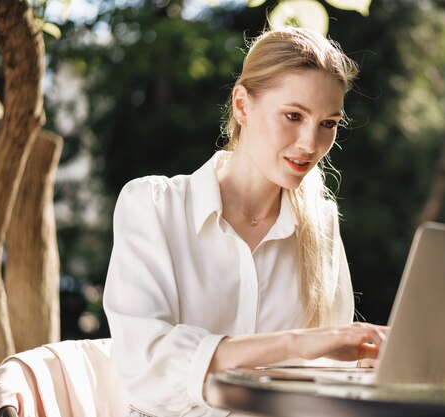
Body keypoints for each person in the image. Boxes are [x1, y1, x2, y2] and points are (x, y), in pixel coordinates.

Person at [103, 26, 386, 417]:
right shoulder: (153, 206)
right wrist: (296, 344)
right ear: (241, 105)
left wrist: (371, 360)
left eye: (328, 123)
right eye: (293, 115)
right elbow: (148, 365)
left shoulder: (319, 225)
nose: (310, 144)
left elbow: (326, 376)